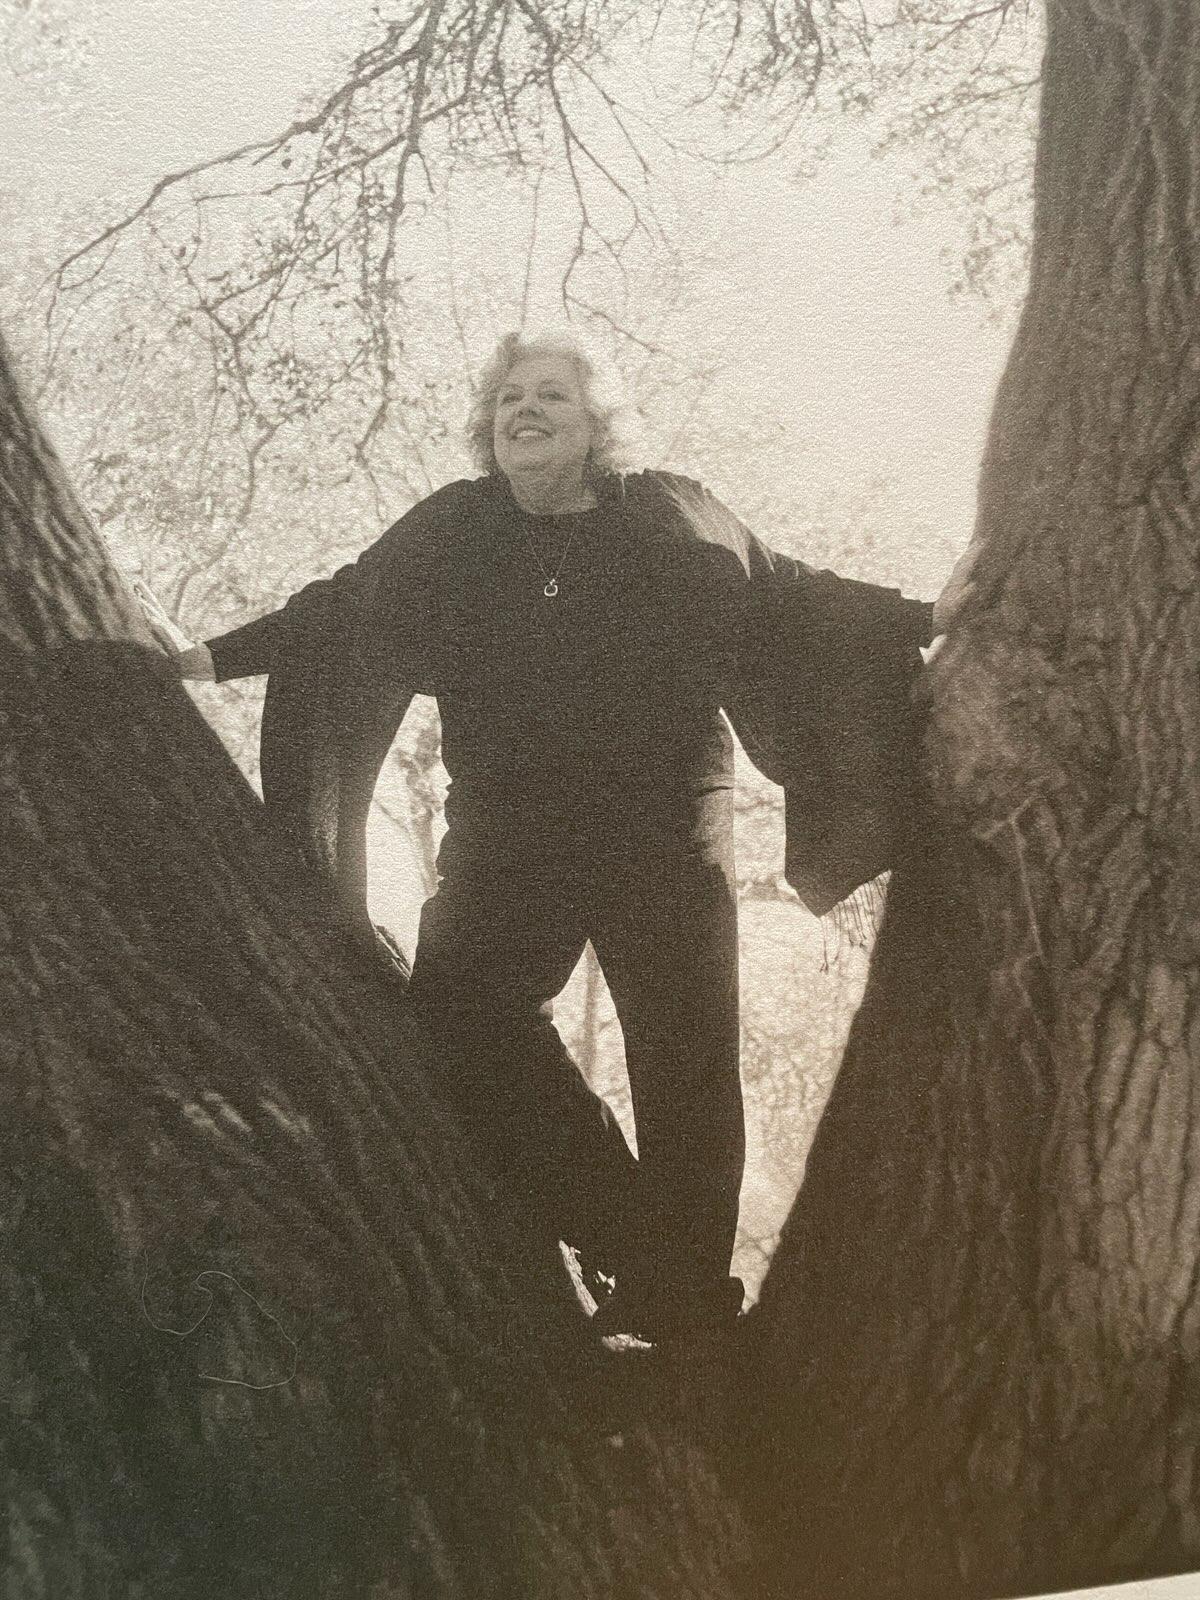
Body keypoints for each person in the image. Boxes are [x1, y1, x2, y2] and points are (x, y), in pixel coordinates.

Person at [155, 330, 951, 1345]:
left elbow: (793, 594)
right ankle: (631, 1236)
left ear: (597, 426)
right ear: (488, 427)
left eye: (554, 398)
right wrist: (202, 660)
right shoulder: (454, 530)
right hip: (509, 831)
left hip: (662, 824)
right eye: (510, 399)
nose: (526, 411)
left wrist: (929, 612)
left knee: (684, 1055)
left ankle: (688, 1311)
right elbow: (338, 615)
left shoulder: (667, 513)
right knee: (457, 1015)